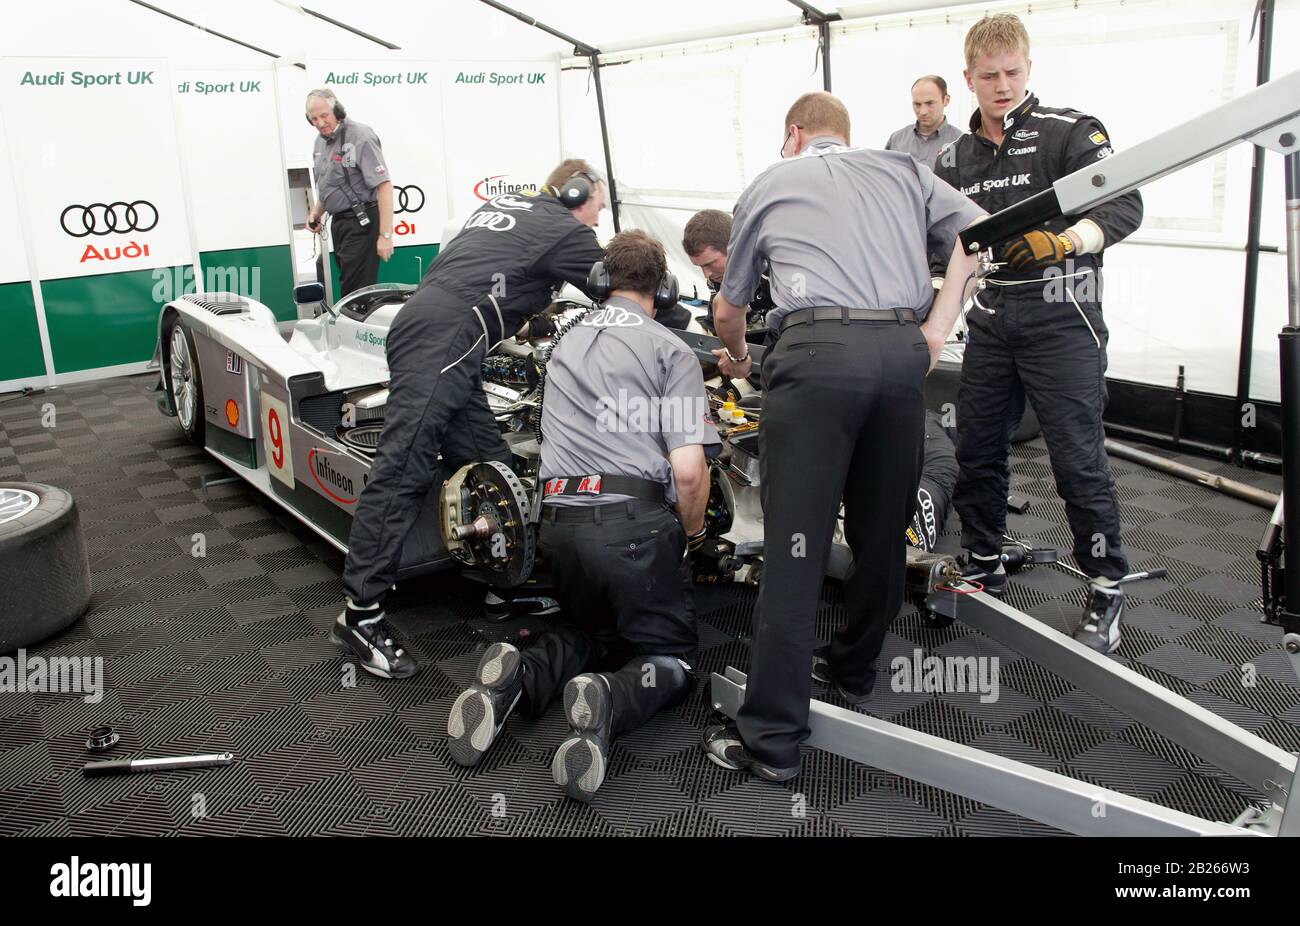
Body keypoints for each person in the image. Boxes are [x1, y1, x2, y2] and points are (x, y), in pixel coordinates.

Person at [698, 91, 985, 781]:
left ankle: (771, 741)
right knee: (881, 534)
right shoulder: (903, 169)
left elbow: (729, 308)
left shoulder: (771, 181)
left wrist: (737, 355)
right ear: (846, 134)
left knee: (793, 551)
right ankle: (854, 668)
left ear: (794, 133)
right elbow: (982, 235)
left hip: (815, 352)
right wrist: (938, 329)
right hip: (901, 355)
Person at [446, 230, 717, 801]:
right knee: (672, 655)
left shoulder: (566, 339)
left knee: (593, 631)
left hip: (561, 527)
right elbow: (690, 473)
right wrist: (687, 536)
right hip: (633, 527)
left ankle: (519, 676)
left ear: (599, 281)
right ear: (664, 288)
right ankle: (610, 700)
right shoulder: (671, 349)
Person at [331, 159, 607, 679]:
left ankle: (503, 588)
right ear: (577, 193)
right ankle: (360, 616)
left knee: (488, 466)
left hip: (433, 326)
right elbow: (624, 295)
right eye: (596, 208)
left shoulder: (509, 204)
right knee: (404, 468)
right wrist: (687, 333)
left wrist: (533, 310)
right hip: (446, 338)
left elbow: (495, 267)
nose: (596, 222)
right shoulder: (567, 229)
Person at [933, 13, 1143, 653]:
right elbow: (948, 246)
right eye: (989, 76)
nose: (1002, 86)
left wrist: (1062, 240)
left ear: (1029, 69)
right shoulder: (952, 157)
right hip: (992, 323)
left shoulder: (1071, 132)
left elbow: (1124, 205)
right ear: (968, 79)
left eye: (1013, 73)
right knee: (976, 451)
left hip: (1063, 320)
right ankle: (982, 560)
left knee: (1077, 461)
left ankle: (1107, 583)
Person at [304, 89, 394, 298]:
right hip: (340, 224)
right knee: (351, 285)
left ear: (337, 110)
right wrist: (316, 213)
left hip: (362, 222)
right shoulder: (320, 142)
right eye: (313, 119)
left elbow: (384, 186)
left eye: (324, 115)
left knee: (355, 291)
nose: (319, 123)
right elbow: (329, 183)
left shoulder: (360, 136)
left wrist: (385, 235)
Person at [682, 208, 775, 340]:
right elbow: (714, 322)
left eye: (710, 264)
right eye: (700, 266)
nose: (706, 274)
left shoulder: (771, 270)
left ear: (732, 249)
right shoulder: (718, 275)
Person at [884, 75, 964, 170]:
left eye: (929, 103)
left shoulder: (961, 143)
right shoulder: (897, 140)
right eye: (917, 104)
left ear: (946, 100)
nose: (923, 112)